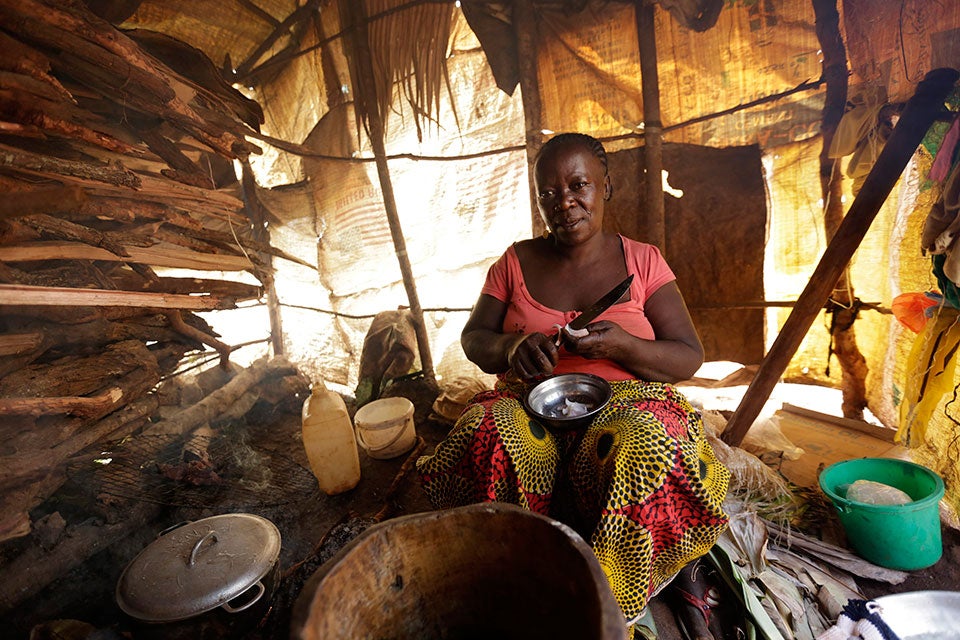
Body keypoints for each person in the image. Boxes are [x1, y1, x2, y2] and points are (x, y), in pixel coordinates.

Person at [416, 132, 730, 628]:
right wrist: (511, 348)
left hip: (628, 404)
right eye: (549, 194)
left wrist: (622, 346)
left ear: (605, 186)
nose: (564, 203)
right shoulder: (514, 262)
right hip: (531, 404)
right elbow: (475, 338)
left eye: (578, 185)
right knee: (489, 432)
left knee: (647, 444)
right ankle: (516, 574)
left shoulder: (642, 261)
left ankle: (605, 605)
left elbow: (688, 357)